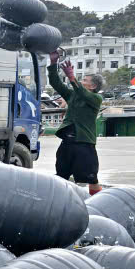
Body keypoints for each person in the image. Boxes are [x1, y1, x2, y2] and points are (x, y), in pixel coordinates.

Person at [48, 51, 104, 195]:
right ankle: (61, 201)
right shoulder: (72, 95)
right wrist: (53, 64)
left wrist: (72, 77)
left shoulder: (96, 98)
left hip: (84, 144)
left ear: (92, 86)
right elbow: (56, 83)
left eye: (85, 80)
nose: (82, 81)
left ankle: (98, 202)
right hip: (67, 142)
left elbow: (83, 93)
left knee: (91, 178)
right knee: (61, 175)